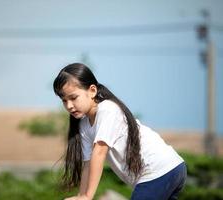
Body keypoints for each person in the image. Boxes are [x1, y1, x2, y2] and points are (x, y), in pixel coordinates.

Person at [53, 63, 187, 200]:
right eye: (64, 100)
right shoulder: (84, 125)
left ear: (92, 91)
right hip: (170, 169)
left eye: (74, 98)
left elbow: (99, 153)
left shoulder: (107, 110)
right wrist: (81, 195)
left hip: (159, 169)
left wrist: (87, 196)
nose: (69, 106)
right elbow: (88, 163)